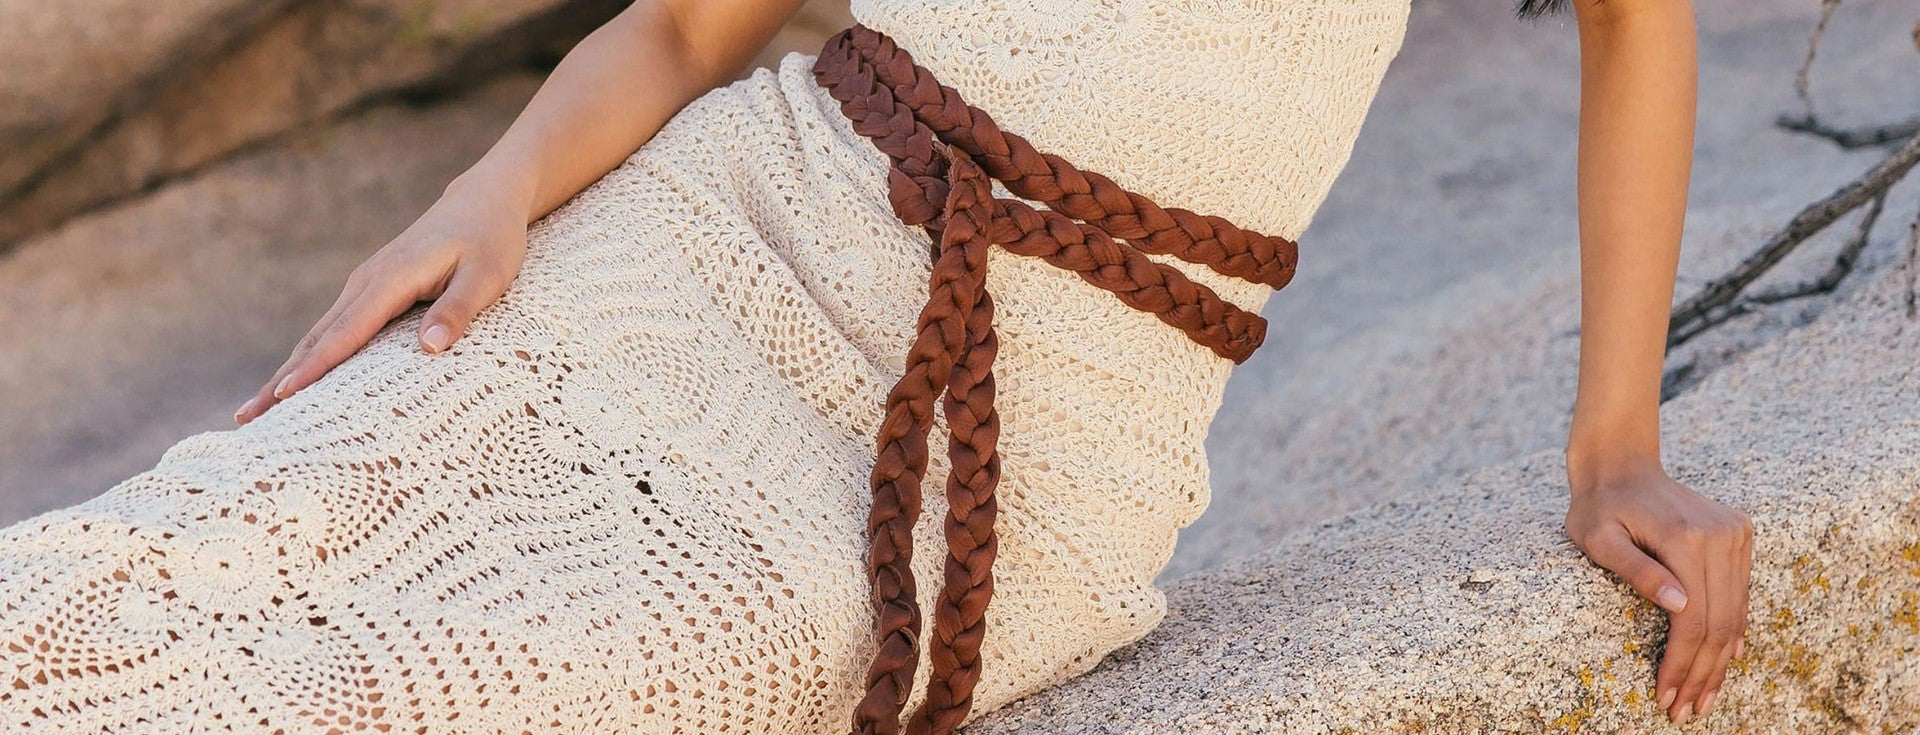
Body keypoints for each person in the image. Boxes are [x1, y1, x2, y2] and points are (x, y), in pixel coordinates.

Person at [2, 0, 1751, 731]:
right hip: (704, 238)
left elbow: (1637, 26)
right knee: (149, 562)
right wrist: (492, 191)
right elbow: (686, 25)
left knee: (422, 688)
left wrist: (1614, 447)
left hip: (1026, 436)